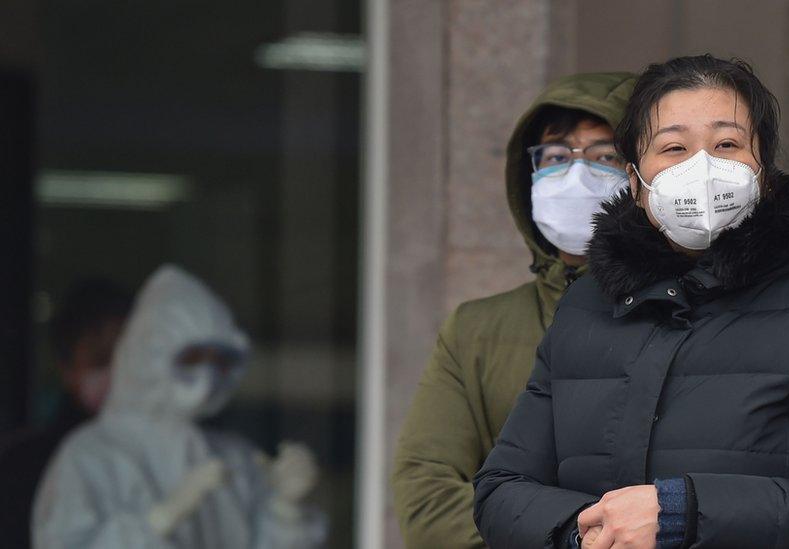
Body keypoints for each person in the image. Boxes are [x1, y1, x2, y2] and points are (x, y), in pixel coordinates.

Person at [474, 55, 789, 549]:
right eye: (673, 147)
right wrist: (588, 534)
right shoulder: (588, 306)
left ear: (764, 171)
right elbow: (501, 490)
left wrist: (681, 513)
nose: (701, 167)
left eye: (727, 144)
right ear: (636, 180)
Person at [392, 72, 636, 548]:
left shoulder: (696, 312)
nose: (577, 174)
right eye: (557, 156)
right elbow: (425, 488)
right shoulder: (477, 330)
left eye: (606, 156)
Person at [32, 265, 326, 548]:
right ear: (147, 353)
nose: (207, 375)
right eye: (192, 358)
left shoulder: (235, 458)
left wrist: (286, 513)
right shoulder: (90, 456)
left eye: (220, 361)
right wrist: (157, 523)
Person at [0, 278, 132, 549]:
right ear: (66, 367)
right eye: (100, 359)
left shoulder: (184, 452)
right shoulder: (23, 466)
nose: (117, 373)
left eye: (128, 357)